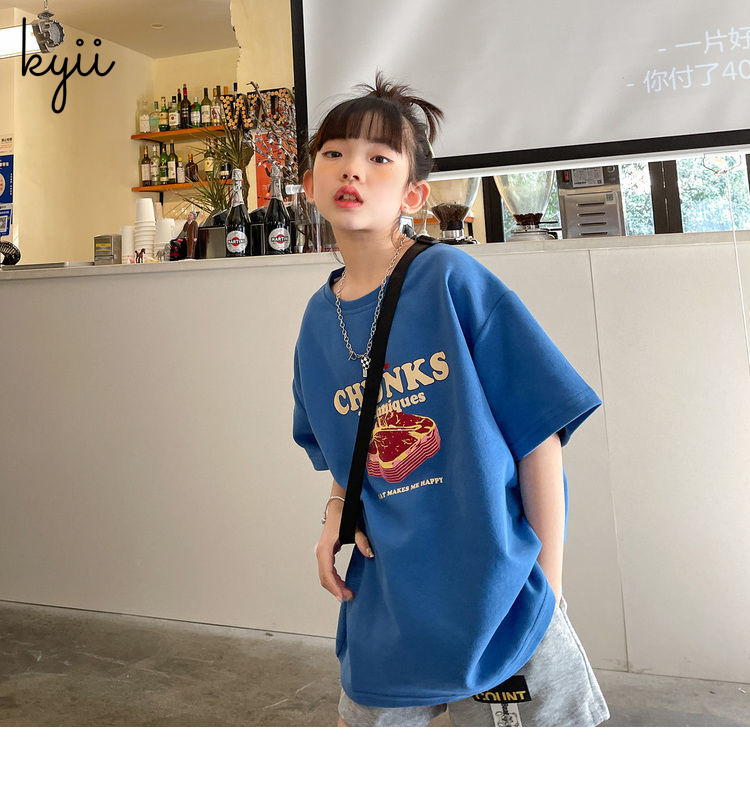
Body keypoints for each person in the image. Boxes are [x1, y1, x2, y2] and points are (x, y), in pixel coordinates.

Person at [291, 71, 610, 727]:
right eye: (335, 153)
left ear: (413, 194)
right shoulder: (317, 324)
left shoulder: (450, 279)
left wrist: (548, 586)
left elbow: (538, 436)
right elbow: (345, 454)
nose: (353, 168)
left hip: (501, 589)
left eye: (380, 157)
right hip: (392, 593)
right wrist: (333, 518)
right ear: (309, 182)